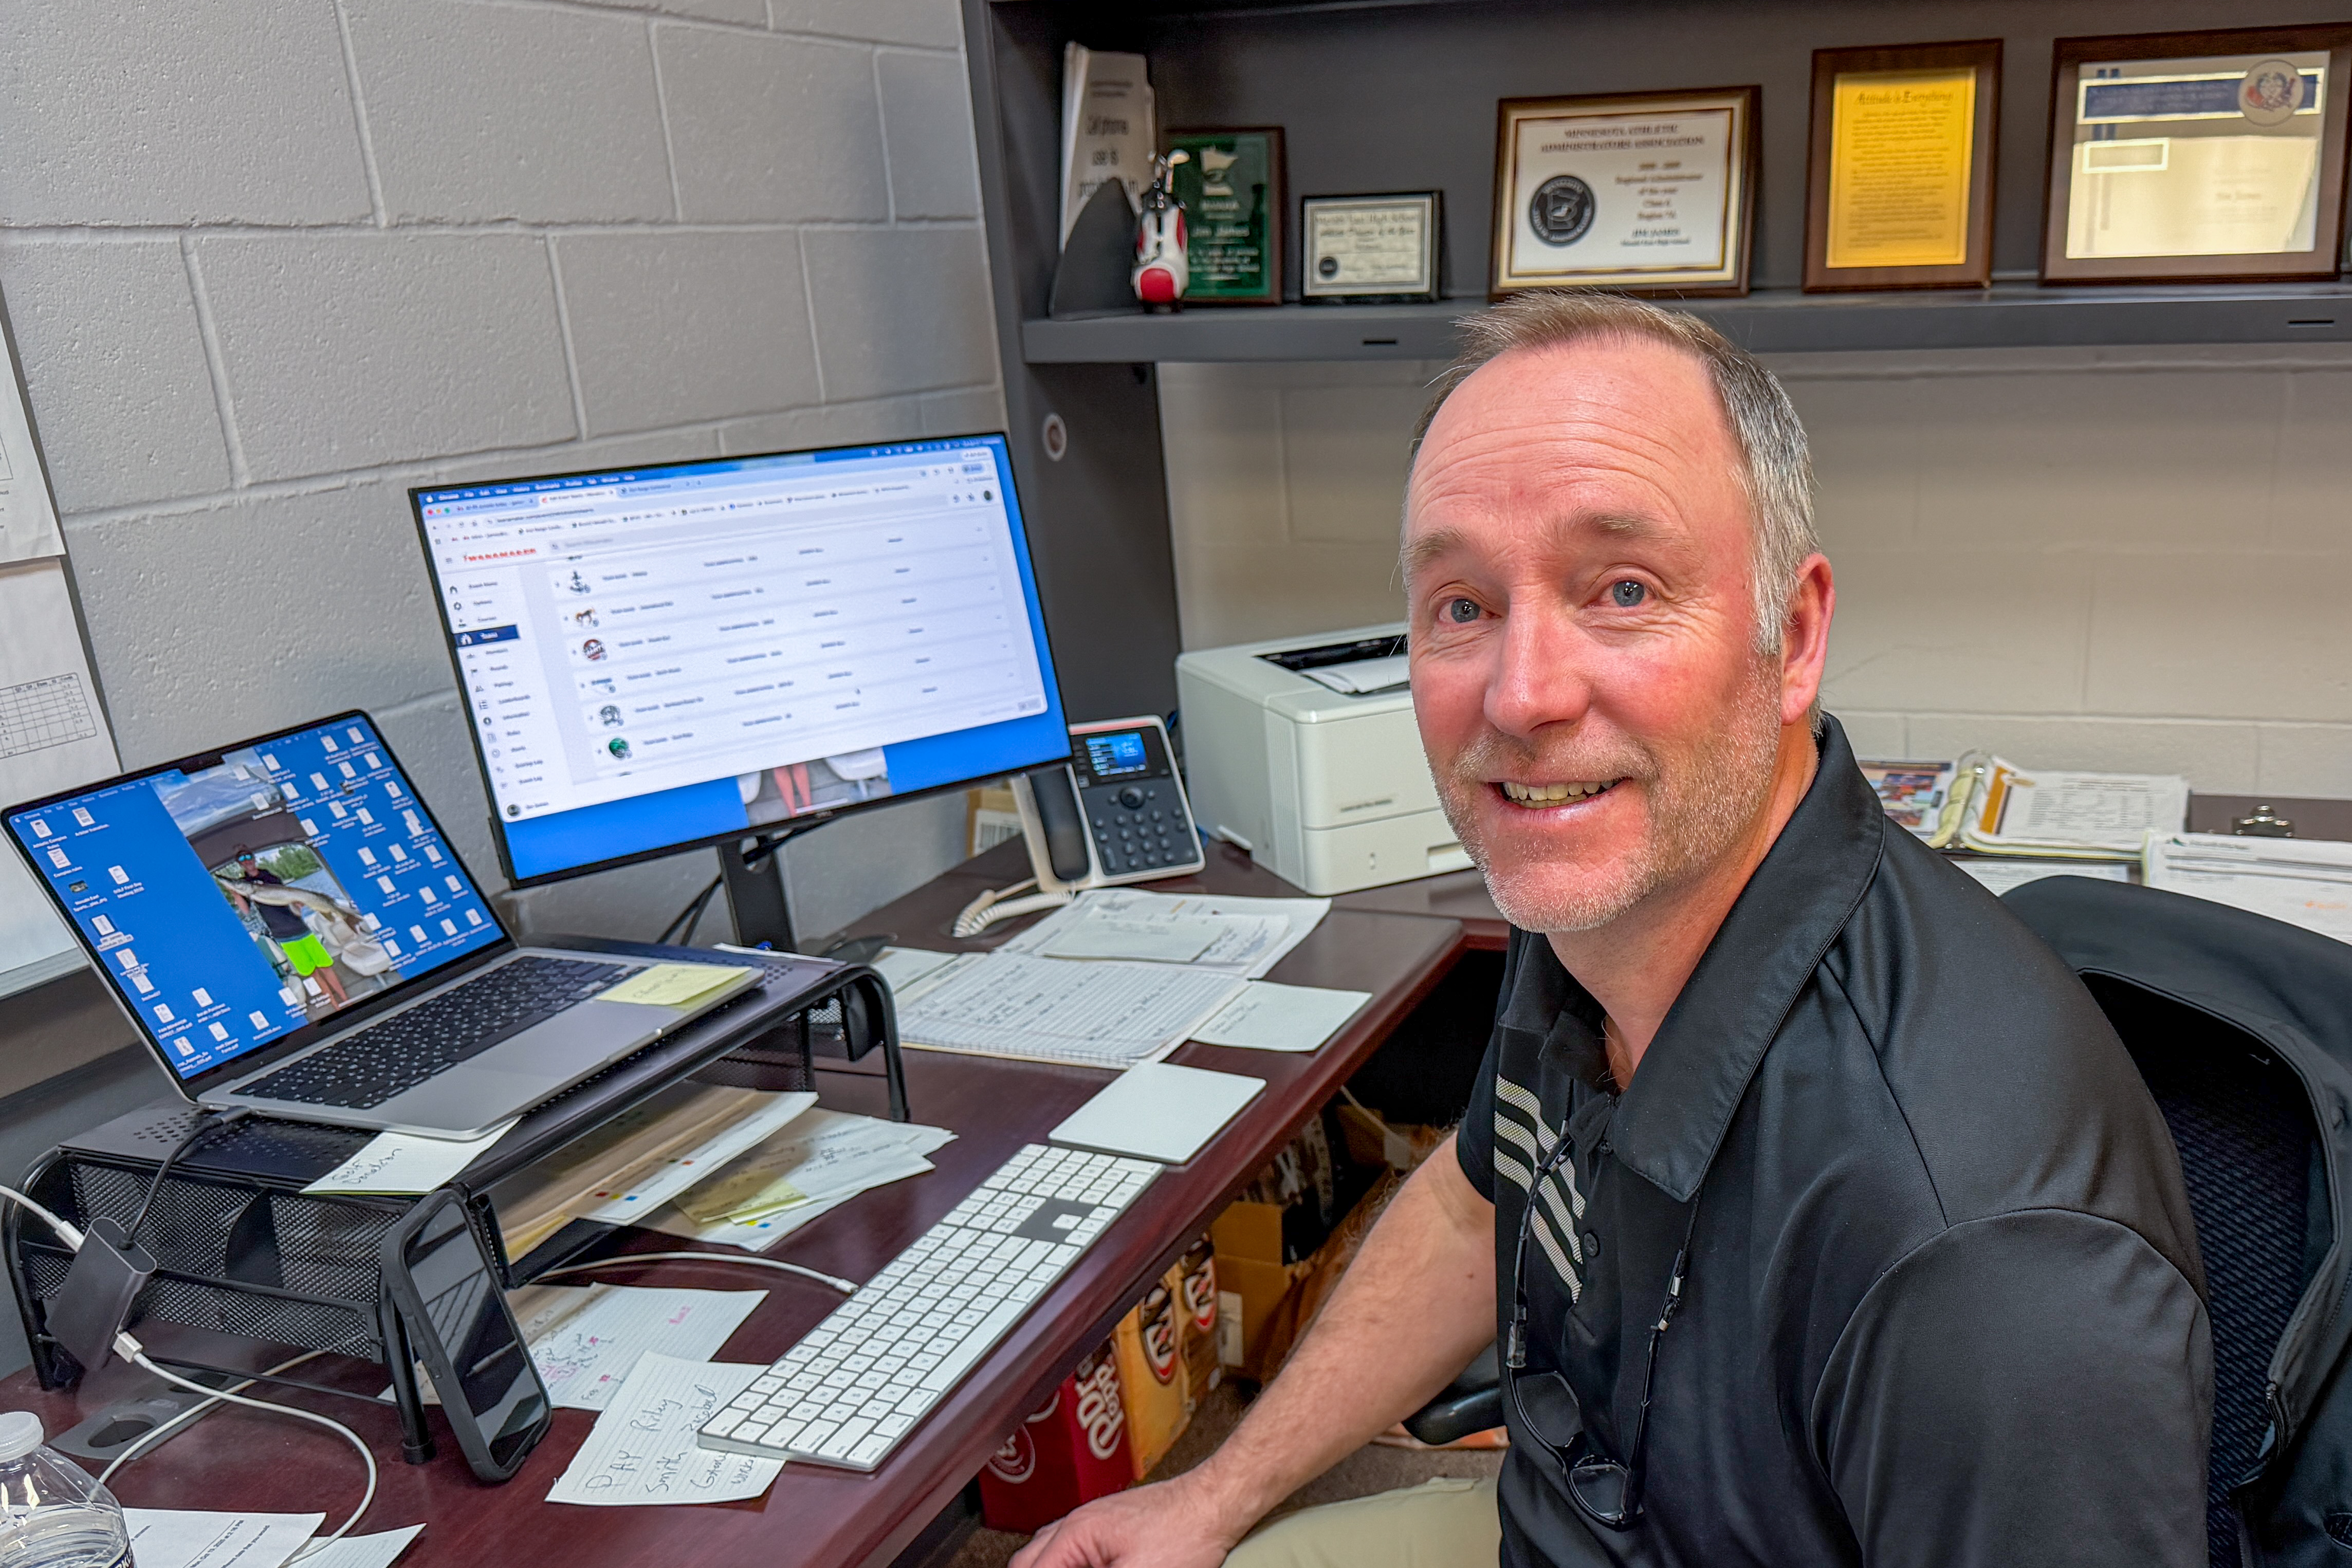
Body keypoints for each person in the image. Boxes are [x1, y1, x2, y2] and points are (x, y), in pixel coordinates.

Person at [1012, 293, 2211, 1568]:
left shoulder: (1978, 1258)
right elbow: (1480, 1206)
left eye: (1621, 588)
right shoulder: (1603, 896)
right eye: (1462, 604)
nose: (1523, 696)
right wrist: (1212, 1492)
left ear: (1790, 636)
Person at [226, 848, 348, 1008]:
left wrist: (298, 904)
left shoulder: (270, 877)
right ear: (240, 864)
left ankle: (346, 1000)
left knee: (325, 966)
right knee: (312, 972)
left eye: (249, 856)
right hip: (282, 935)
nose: (247, 860)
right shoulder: (244, 886)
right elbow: (246, 911)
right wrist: (235, 894)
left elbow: (290, 899)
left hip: (300, 929)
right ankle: (335, 1005)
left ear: (254, 858)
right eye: (243, 859)